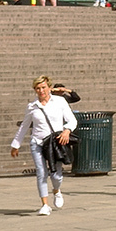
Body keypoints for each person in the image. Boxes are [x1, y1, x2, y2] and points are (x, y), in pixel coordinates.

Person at [10, 75, 78, 215]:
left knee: (56, 175)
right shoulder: (32, 106)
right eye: (37, 88)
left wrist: (67, 131)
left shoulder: (59, 102)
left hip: (55, 143)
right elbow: (24, 126)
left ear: (49, 88)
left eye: (43, 88)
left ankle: (56, 190)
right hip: (38, 142)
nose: (41, 91)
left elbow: (72, 120)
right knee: (41, 172)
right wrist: (16, 144)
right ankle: (45, 204)